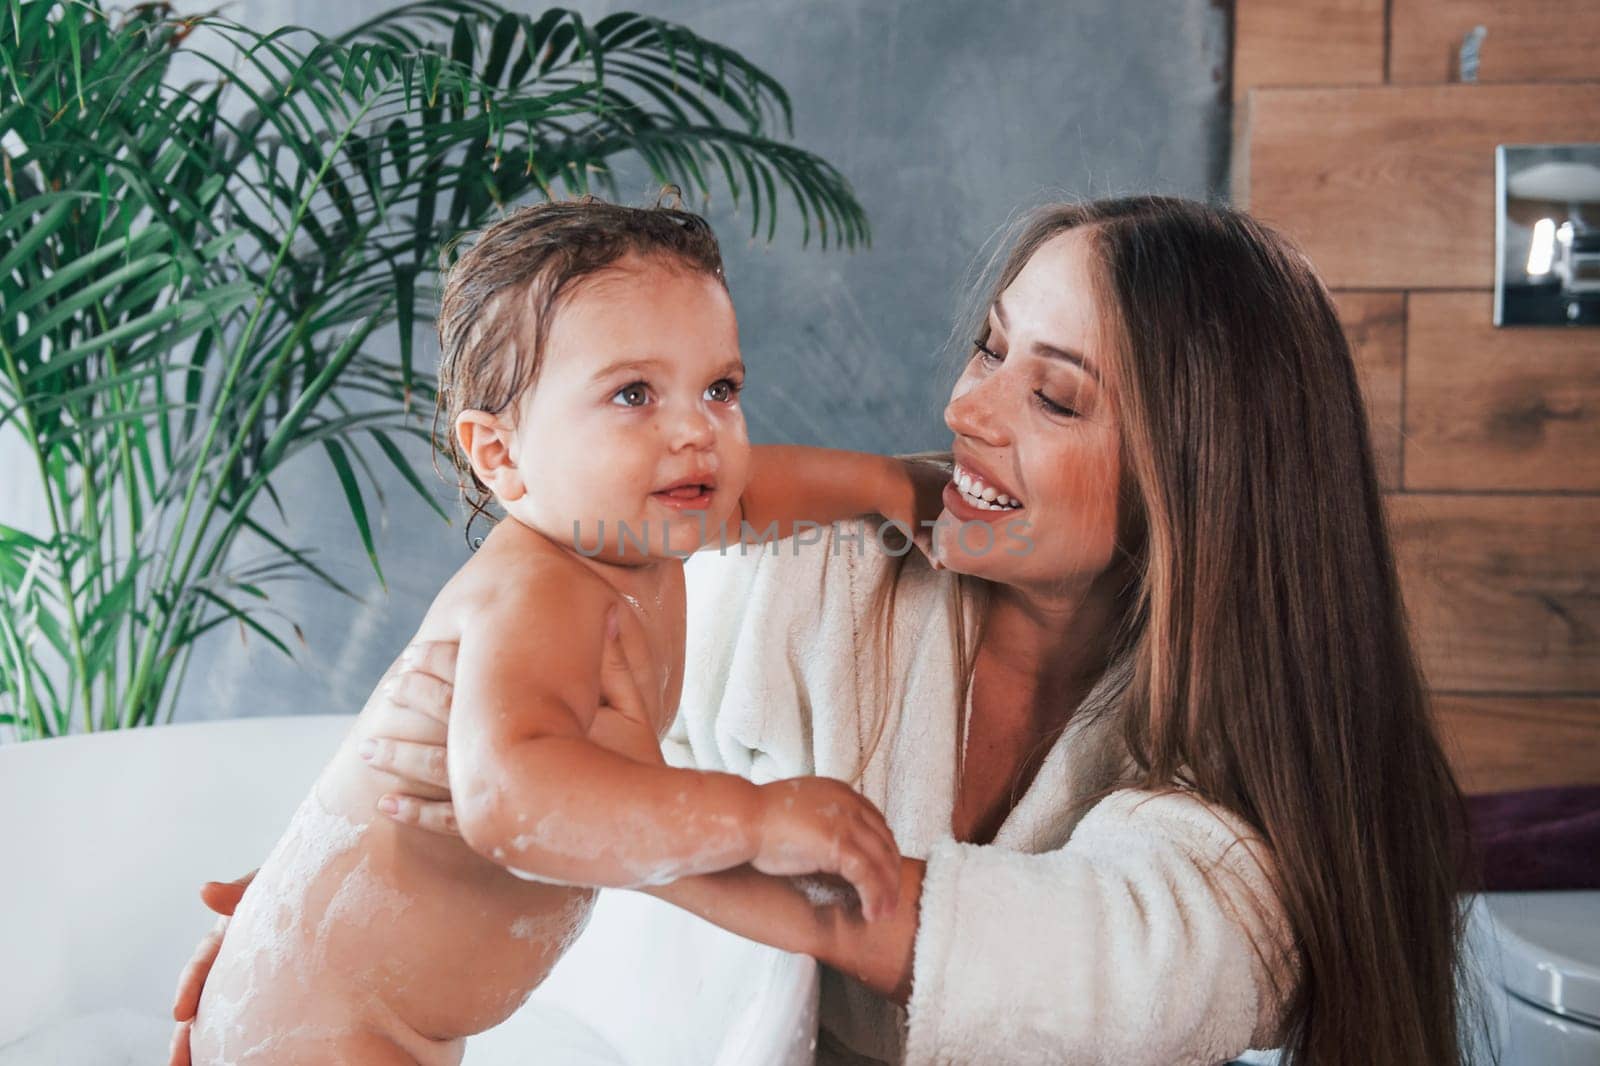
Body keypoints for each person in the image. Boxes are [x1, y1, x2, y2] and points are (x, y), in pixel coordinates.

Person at [173, 197, 1480, 1065]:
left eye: (1055, 395)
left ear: (1198, 480)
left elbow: (1133, 964)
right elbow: (522, 728)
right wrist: (333, 904)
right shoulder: (805, 588)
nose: (969, 409)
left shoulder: (1238, 836)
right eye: (987, 346)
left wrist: (720, 822)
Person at [184, 198, 952, 1064]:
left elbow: (760, 489)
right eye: (634, 394)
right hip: (330, 1032)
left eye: (720, 389)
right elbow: (513, 802)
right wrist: (755, 817)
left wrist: (894, 487)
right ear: (502, 455)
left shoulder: (637, 529)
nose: (696, 430)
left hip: (400, 1019)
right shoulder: (541, 593)